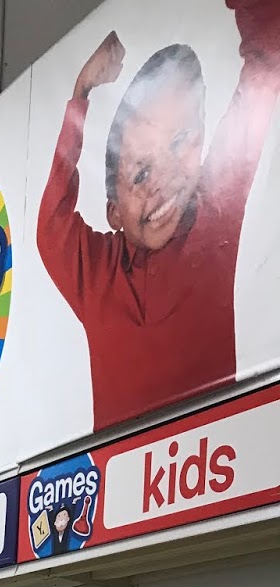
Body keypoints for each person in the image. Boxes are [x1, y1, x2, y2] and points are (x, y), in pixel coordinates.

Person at [38, 0, 280, 433]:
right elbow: (51, 226)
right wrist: (81, 91)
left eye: (181, 141)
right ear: (113, 212)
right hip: (119, 470)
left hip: (214, 462)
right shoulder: (97, 276)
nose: (163, 181)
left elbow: (266, 58)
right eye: (141, 173)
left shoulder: (212, 217)